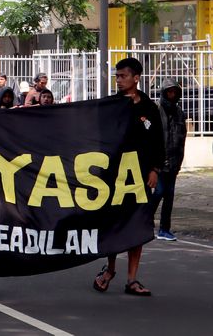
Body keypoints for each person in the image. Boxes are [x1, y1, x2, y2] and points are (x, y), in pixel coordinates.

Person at [93, 57, 162, 297]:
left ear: (136, 78)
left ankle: (132, 279)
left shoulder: (149, 107)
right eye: (117, 76)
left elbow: (157, 141)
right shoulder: (111, 105)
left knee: (138, 225)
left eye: (123, 76)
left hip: (141, 176)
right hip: (114, 175)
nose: (119, 80)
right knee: (115, 224)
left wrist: (155, 169)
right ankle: (110, 270)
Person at [152, 79, 187, 241]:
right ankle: (145, 220)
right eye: (169, 92)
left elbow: (182, 138)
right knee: (158, 192)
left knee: (169, 195)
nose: (172, 95)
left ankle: (164, 229)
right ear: (164, 93)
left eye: (174, 92)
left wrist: (179, 161)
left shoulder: (179, 112)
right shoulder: (157, 111)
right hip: (159, 162)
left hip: (174, 163)